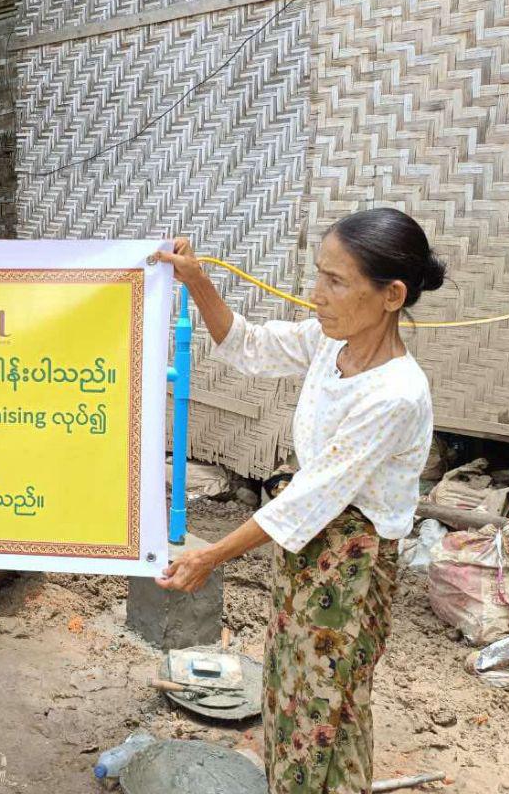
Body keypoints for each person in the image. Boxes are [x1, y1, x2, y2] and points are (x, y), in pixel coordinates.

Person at [155, 208, 445, 794]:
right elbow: (249, 346)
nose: (317, 295)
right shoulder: (329, 341)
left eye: (336, 282)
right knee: (292, 690)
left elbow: (308, 499)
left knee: (324, 707)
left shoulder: (395, 394)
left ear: (391, 295)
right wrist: (196, 280)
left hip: (352, 563)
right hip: (311, 546)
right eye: (319, 275)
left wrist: (210, 555)